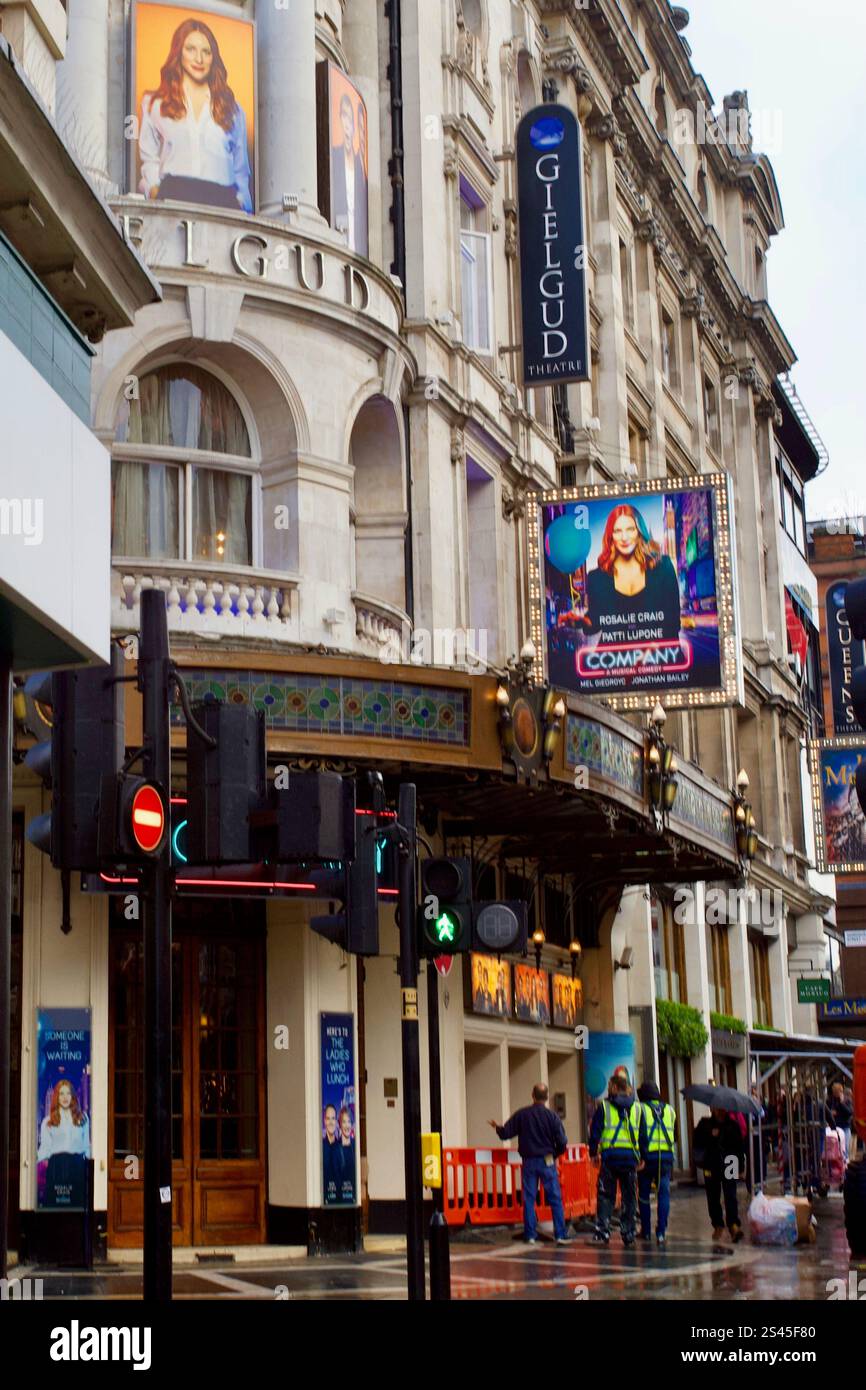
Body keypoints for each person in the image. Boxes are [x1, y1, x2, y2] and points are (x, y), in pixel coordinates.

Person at [139, 18, 253, 212]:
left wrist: (242, 204)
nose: (199, 59)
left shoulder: (233, 110)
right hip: (174, 194)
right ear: (178, 52)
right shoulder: (155, 103)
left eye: (206, 52)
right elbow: (149, 158)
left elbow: (241, 171)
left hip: (222, 201)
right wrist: (154, 191)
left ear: (213, 57)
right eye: (190, 49)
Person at [584, 504, 681, 642]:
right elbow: (593, 626)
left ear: (639, 532)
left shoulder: (663, 567)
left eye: (630, 529)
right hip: (614, 660)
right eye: (617, 531)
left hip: (659, 657)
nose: (624, 537)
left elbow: (673, 623)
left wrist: (652, 652)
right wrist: (580, 622)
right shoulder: (596, 577)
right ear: (610, 535)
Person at [489, 1083, 570, 1244]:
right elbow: (562, 1141)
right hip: (547, 1160)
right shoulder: (552, 1117)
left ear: (532, 1095)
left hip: (529, 1161)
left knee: (529, 1198)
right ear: (547, 1098)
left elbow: (506, 1134)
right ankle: (560, 1234)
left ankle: (530, 1234)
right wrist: (555, 1154)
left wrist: (497, 1128)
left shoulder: (523, 1115)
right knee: (554, 1197)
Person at [588, 1072, 645, 1247]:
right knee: (629, 1198)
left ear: (613, 1087)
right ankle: (628, 1234)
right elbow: (643, 1136)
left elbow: (595, 1134)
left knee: (606, 1196)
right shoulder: (637, 1108)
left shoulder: (604, 1107)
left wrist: (593, 1153)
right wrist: (643, 1157)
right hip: (630, 1160)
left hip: (610, 1159)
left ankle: (602, 1233)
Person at [693, 1106, 745, 1242]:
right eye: (717, 1108)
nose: (720, 1110)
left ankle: (733, 1224)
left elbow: (739, 1147)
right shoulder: (705, 1124)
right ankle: (717, 1224)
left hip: (731, 1161)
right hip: (712, 1162)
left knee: (731, 1195)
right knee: (712, 1195)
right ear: (712, 1109)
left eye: (722, 1108)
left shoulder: (733, 1126)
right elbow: (697, 1141)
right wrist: (711, 1135)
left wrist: (741, 1167)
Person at [37, 1080, 89, 1208]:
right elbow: (45, 1149)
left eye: (68, 1093)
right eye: (61, 1093)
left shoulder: (83, 1118)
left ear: (73, 1096)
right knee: (55, 1204)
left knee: (77, 1204)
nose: (65, 1097)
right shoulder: (47, 1121)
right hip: (56, 1167)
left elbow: (87, 1145)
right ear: (56, 1096)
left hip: (77, 1166)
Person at [637, 1081, 676, 1247]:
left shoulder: (640, 1109)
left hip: (648, 1157)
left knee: (644, 1195)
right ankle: (661, 1232)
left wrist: (640, 1156)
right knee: (663, 1194)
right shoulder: (670, 1110)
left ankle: (645, 1231)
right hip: (666, 1157)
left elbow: (639, 1135)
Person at [331, 91, 368, 254]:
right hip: (338, 247)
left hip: (357, 253)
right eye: (343, 115)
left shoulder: (361, 172)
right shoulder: (333, 156)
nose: (347, 124)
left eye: (350, 118)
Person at [322, 1103, 341, 1201]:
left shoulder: (341, 1146)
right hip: (324, 1195)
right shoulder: (321, 1147)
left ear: (336, 1121)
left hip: (340, 1196)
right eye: (328, 1118)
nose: (331, 1122)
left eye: (333, 1118)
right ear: (325, 1121)